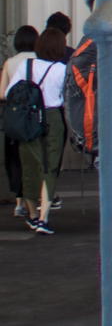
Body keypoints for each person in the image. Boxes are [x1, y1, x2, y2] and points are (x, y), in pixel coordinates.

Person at [7, 26, 69, 233]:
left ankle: (32, 214)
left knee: (30, 164)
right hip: (52, 117)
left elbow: (10, 92)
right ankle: (44, 217)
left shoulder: (26, 65)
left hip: (28, 118)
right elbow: (66, 98)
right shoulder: (61, 69)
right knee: (50, 167)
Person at [4, 24, 37, 219]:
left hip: (14, 116)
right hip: (34, 117)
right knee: (33, 159)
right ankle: (36, 200)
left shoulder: (10, 63)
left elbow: (2, 93)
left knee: (14, 160)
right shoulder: (39, 61)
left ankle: (19, 201)